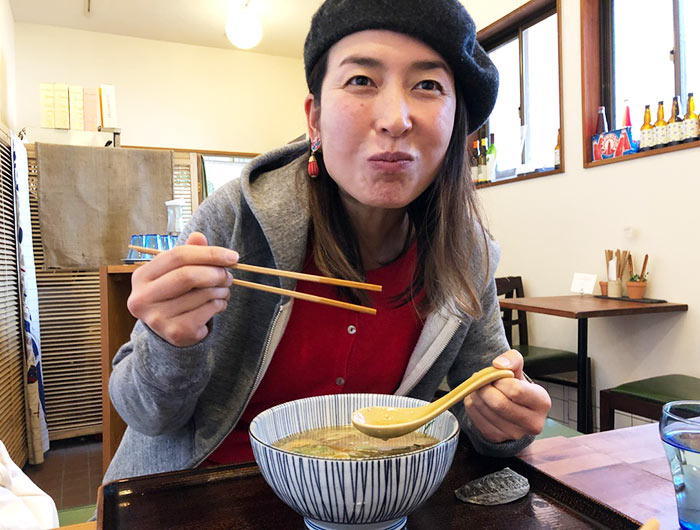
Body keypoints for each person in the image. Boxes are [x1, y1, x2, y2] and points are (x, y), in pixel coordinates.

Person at [103, 0, 551, 484]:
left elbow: (483, 401)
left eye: (427, 85)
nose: (396, 118)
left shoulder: (467, 253)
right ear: (314, 119)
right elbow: (146, 415)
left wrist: (507, 421)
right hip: (209, 493)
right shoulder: (236, 217)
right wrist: (171, 342)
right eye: (362, 80)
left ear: (454, 125)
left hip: (369, 497)